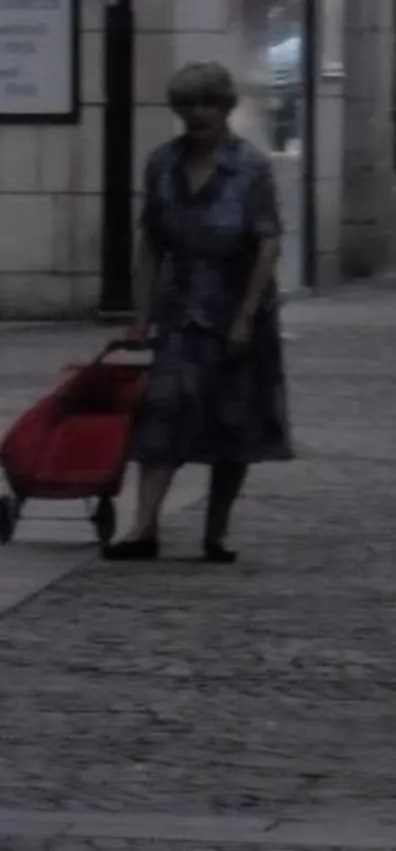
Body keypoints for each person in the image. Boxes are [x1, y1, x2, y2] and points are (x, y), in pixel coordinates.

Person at [105, 62, 291, 564]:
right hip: (182, 307)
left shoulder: (249, 166)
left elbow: (268, 244)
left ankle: (217, 531)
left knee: (234, 420)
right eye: (187, 105)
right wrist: (139, 315)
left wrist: (246, 316)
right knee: (162, 411)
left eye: (207, 103)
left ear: (226, 107)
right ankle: (143, 527)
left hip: (237, 306)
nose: (197, 114)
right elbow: (151, 245)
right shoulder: (162, 164)